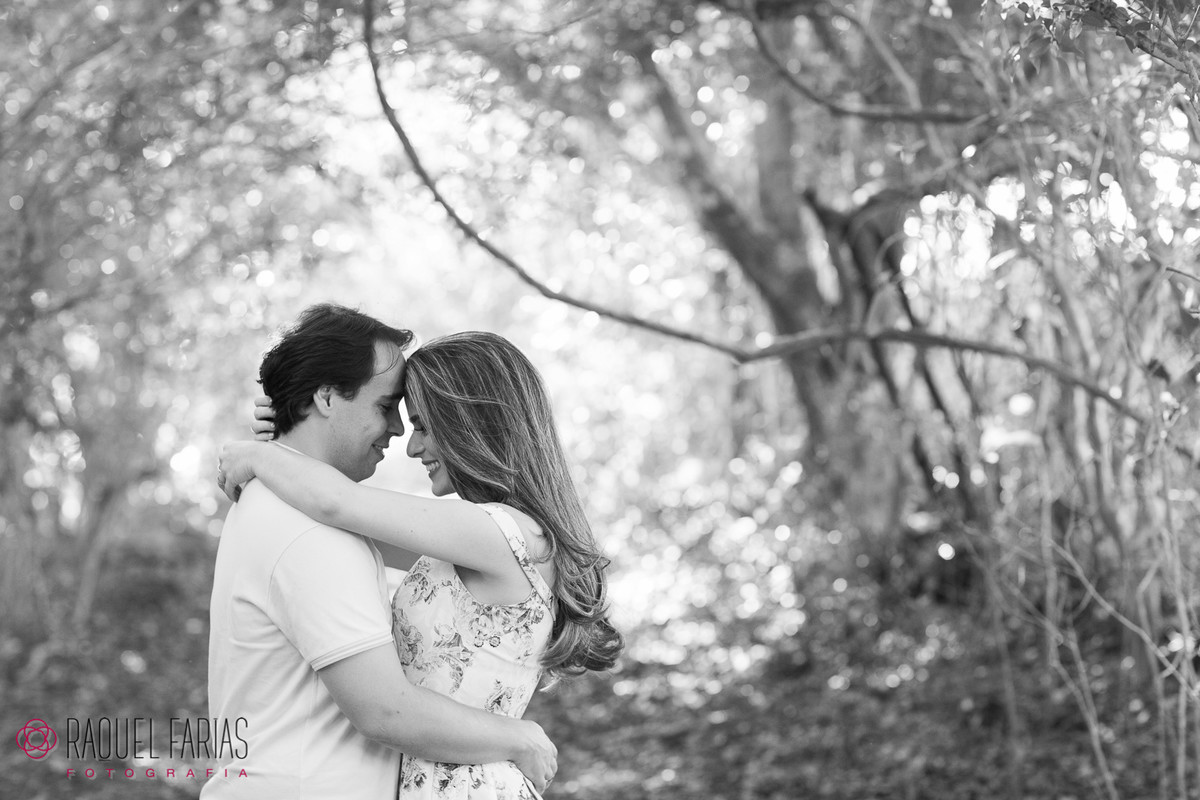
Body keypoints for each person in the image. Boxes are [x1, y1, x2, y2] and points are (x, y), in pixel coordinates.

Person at [218, 330, 623, 799]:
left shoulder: (500, 534)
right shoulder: (479, 538)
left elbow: (336, 503)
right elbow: (338, 524)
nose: (412, 447)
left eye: (424, 427)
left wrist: (260, 456)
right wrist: (289, 436)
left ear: (472, 424)